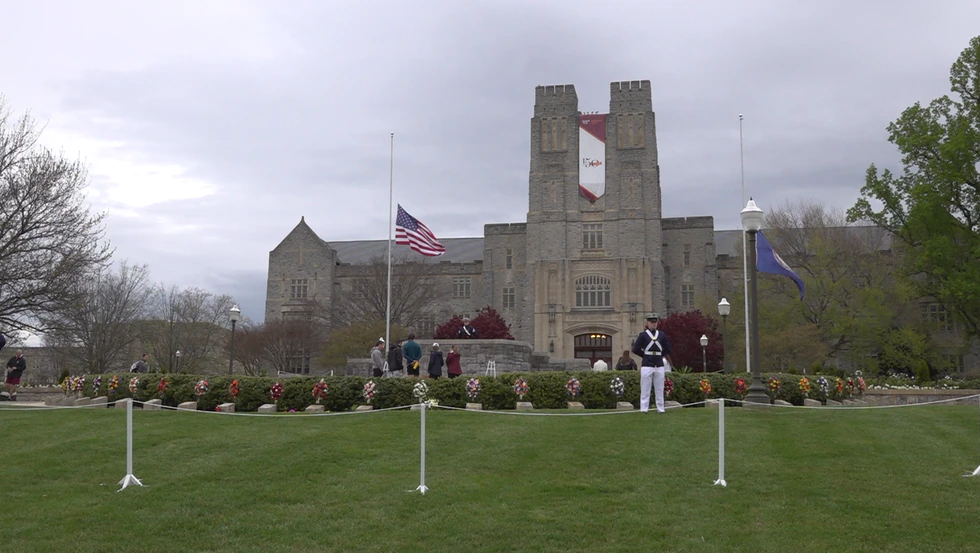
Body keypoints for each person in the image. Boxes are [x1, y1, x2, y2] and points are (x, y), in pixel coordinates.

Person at [631, 313, 675, 413]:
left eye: (655, 322)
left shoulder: (662, 335)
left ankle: (660, 408)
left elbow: (667, 349)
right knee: (645, 388)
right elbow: (636, 349)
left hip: (659, 364)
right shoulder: (643, 335)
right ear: (648, 323)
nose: (653, 324)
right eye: (651, 322)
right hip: (647, 364)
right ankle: (644, 408)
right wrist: (645, 355)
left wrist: (660, 355)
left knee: (659, 388)